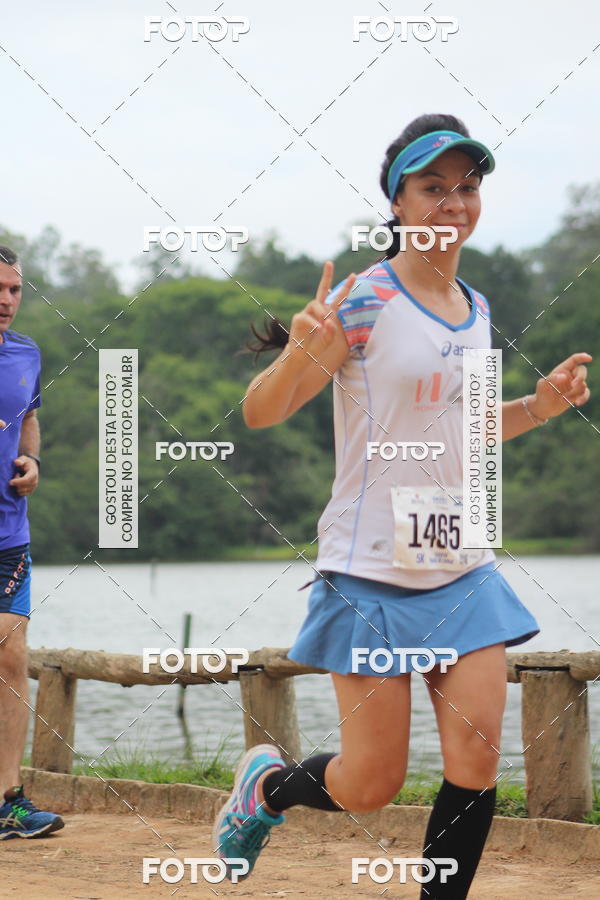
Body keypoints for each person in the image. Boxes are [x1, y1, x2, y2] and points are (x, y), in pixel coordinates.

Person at [212, 114, 592, 897]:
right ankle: (268, 788)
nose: (454, 203)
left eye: (468, 187)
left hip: (461, 563)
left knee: (477, 761)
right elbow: (259, 412)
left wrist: (542, 405)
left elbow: (472, 423)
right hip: (373, 567)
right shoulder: (362, 299)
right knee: (370, 784)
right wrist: (299, 350)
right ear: (397, 202)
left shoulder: (475, 307)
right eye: (433, 188)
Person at [0, 245, 64, 839]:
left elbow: (28, 418)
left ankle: (8, 800)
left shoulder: (25, 353)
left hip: (8, 533)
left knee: (11, 655)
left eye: (15, 289)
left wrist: (33, 459)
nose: (6, 300)